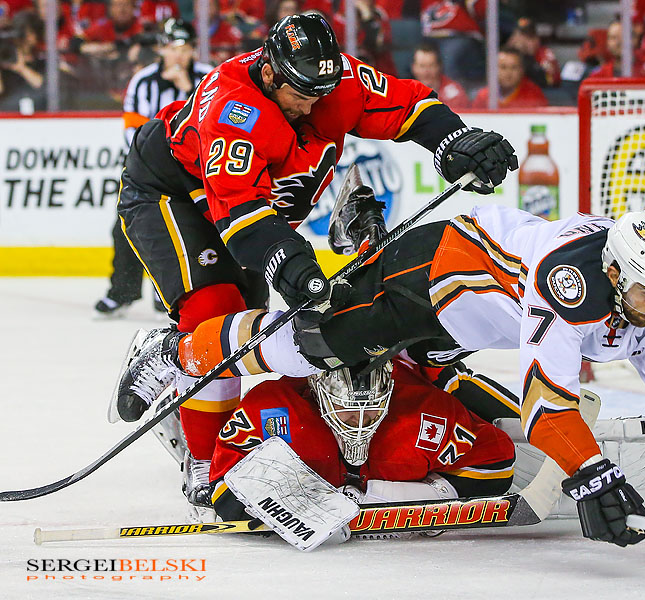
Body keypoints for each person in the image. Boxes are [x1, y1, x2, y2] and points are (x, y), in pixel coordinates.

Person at [120, 203, 645, 574]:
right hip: (435, 273)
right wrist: (590, 474)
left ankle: (391, 316)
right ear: (615, 270)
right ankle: (179, 353)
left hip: (471, 329)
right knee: (316, 344)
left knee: (459, 403)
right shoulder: (573, 280)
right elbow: (548, 399)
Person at [109, 13, 516, 505]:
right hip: (172, 190)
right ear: (270, 72)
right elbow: (240, 216)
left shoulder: (332, 79)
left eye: (320, 92)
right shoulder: (233, 110)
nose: (312, 104)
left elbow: (408, 104)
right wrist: (295, 265)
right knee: (213, 311)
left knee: (240, 326)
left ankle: (179, 363)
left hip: (253, 205)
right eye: (301, 93)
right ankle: (201, 455)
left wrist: (455, 139)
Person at [210, 358, 517, 532]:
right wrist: (302, 508)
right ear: (317, 390)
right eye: (345, 408)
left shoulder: (425, 411)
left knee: (449, 376)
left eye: (371, 408)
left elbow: (496, 464)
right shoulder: (273, 409)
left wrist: (421, 495)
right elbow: (225, 491)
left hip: (410, 358)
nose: (359, 421)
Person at [94, 19, 212, 317]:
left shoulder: (208, 78)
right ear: (161, 49)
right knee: (129, 228)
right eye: (172, 48)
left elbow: (213, 125)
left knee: (195, 231)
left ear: (193, 50)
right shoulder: (142, 81)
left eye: (184, 48)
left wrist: (188, 89)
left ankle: (171, 293)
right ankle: (122, 292)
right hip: (149, 172)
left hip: (195, 173)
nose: (178, 55)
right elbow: (131, 128)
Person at [471, 46, 547, 109]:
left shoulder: (533, 95)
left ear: (522, 70)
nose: (508, 73)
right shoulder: (483, 96)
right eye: (503, 67)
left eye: (514, 67)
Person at [409, 43, 469, 111]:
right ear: (413, 67)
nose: (426, 71)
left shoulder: (454, 94)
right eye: (422, 66)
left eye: (431, 66)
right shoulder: (406, 93)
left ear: (439, 66)